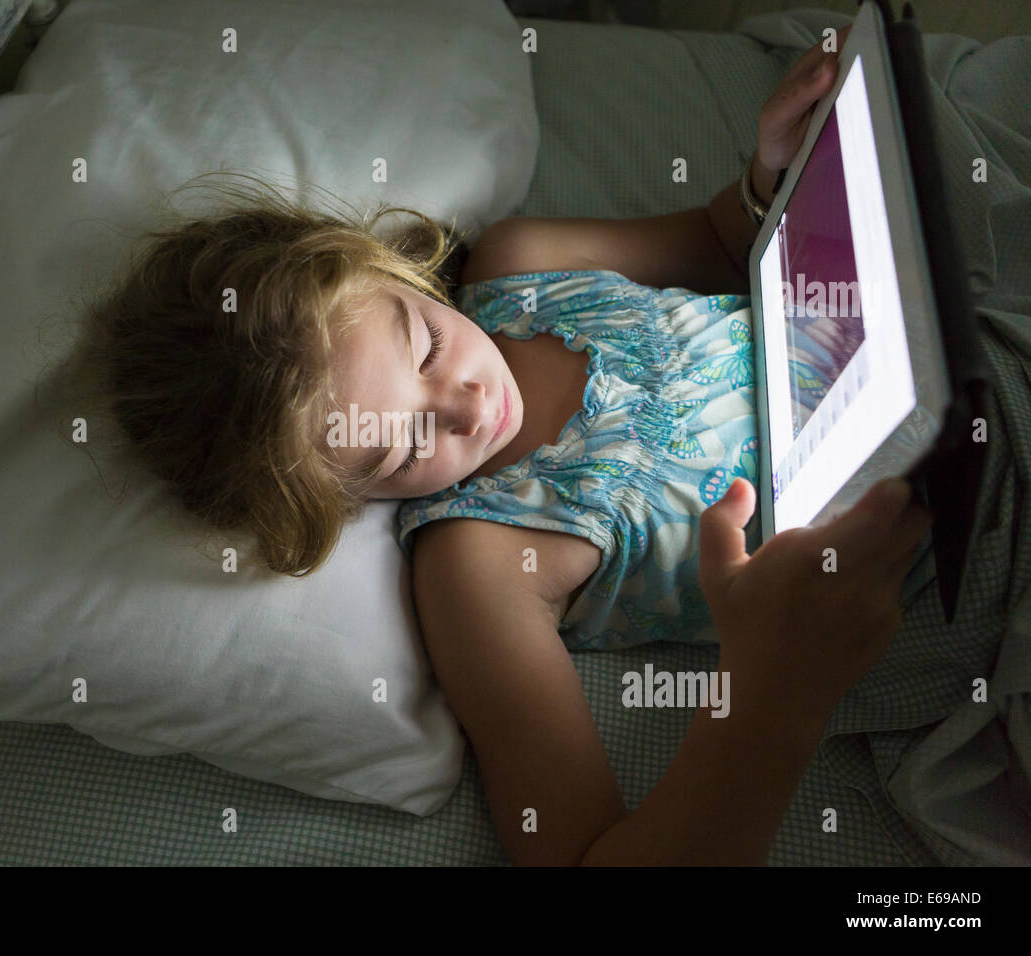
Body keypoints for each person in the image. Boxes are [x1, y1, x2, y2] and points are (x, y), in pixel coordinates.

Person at [66, 26, 932, 865]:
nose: (469, 407)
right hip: (930, 579)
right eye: (402, 444)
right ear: (341, 502)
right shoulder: (478, 565)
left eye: (428, 347)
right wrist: (777, 690)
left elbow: (716, 244)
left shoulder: (526, 268)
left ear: (387, 270)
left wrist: (773, 174)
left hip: (932, 363)